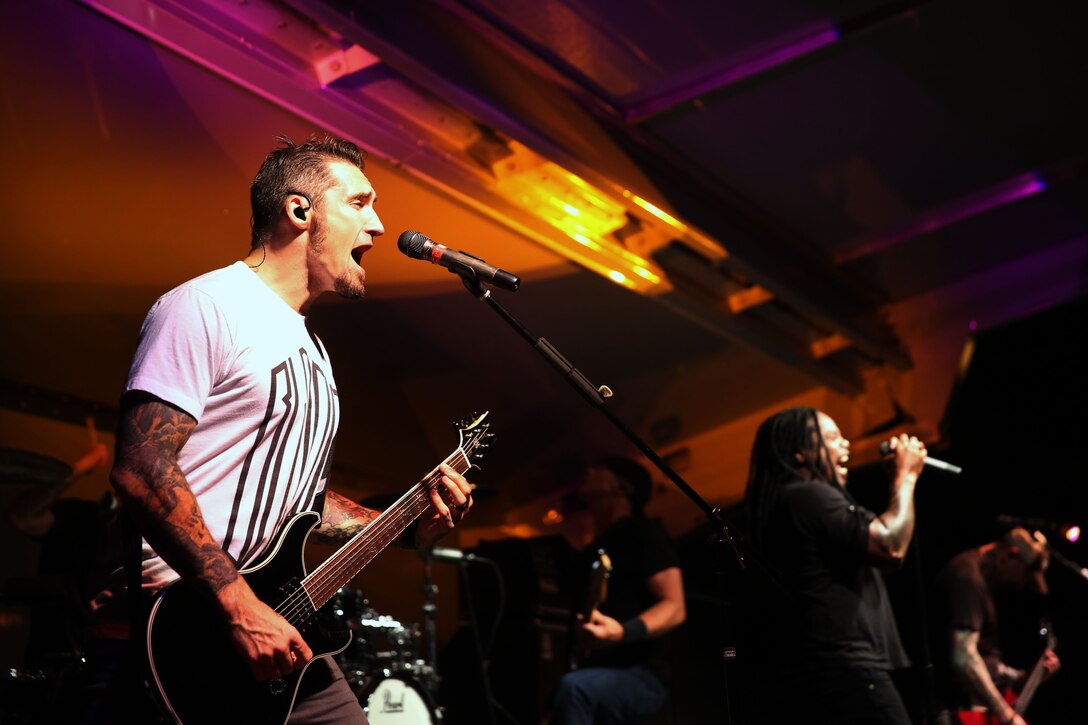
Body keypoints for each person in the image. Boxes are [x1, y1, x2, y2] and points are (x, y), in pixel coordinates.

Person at [84, 135, 475, 724]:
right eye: (360, 202)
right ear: (299, 211)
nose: (377, 224)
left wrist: (403, 522)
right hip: (187, 625)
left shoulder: (312, 347)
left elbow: (302, 503)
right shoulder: (206, 306)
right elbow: (142, 468)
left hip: (282, 618)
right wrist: (237, 604)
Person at [741, 406, 928, 724]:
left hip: (821, 670)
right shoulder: (809, 495)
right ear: (800, 453)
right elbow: (890, 545)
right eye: (831, 437)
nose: (846, 445)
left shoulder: (788, 501)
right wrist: (906, 476)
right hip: (845, 667)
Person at [549, 456, 686, 725]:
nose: (588, 469)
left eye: (600, 467)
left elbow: (675, 606)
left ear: (622, 487)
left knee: (575, 689)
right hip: (594, 671)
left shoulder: (643, 532)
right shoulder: (589, 550)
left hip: (641, 674)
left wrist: (623, 632)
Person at [933, 527, 1060, 725]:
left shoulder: (981, 582)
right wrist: (1007, 716)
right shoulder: (968, 578)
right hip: (958, 710)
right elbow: (963, 657)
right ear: (1011, 556)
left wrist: (1027, 678)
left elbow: (986, 660)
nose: (1022, 584)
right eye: (1025, 575)